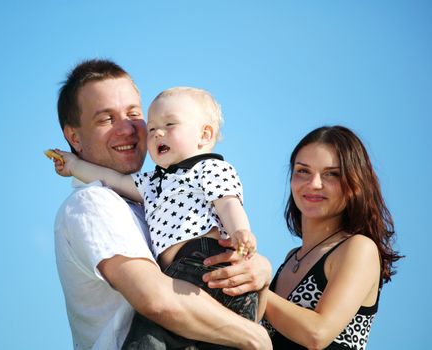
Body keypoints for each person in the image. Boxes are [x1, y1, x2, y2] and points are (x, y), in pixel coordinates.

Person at [52, 58, 272, 349]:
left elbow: (228, 208)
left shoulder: (155, 193)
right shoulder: (92, 202)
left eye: (133, 114)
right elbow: (156, 300)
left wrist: (261, 271)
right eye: (106, 119)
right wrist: (253, 337)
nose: (128, 129)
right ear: (74, 137)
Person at [262, 125, 403, 349]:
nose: (314, 184)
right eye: (303, 171)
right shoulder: (291, 259)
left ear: (356, 184)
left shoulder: (358, 248)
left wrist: (256, 290)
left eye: (331, 174)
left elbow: (318, 334)